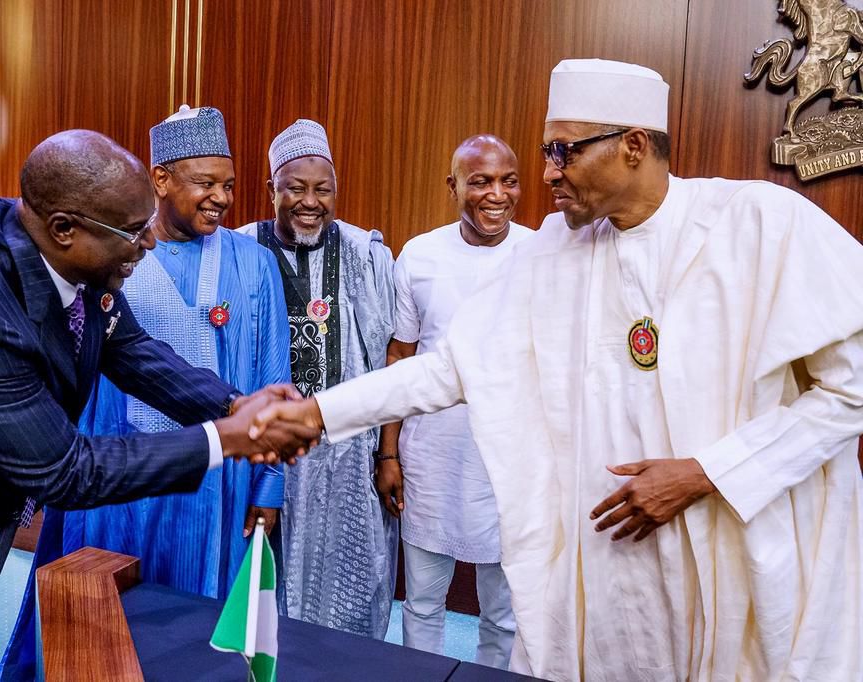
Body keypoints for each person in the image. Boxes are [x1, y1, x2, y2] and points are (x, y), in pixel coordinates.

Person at [252, 59, 863, 680]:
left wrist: (706, 473)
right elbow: (447, 370)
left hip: (731, 553)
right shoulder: (556, 251)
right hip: (610, 563)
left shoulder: (759, 224)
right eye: (547, 152)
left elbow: (850, 392)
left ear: (632, 146)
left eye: (563, 152)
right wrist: (316, 413)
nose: (546, 174)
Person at [0, 129, 312, 679]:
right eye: (134, 233)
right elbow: (68, 471)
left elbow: (133, 351)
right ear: (65, 228)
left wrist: (235, 404)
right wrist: (232, 437)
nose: (149, 244)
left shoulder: (68, 257)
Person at [0, 109, 292, 679]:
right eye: (205, 183)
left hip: (212, 482)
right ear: (160, 180)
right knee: (97, 622)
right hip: (112, 478)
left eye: (228, 184)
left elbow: (269, 371)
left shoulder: (254, 263)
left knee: (193, 636)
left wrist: (269, 483)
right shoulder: (103, 255)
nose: (221, 198)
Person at [236, 119, 397, 639]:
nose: (311, 201)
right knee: (260, 589)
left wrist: (385, 453)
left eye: (322, 188)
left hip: (344, 458)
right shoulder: (240, 249)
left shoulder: (364, 253)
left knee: (346, 590)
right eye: (296, 188)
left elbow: (385, 355)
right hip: (265, 454)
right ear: (272, 190)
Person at [377, 134, 531, 668]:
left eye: (508, 180)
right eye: (481, 181)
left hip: (511, 464)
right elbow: (401, 357)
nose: (497, 194)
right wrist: (388, 453)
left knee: (506, 613)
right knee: (421, 603)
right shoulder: (420, 254)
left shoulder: (541, 253)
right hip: (432, 459)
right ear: (453, 186)